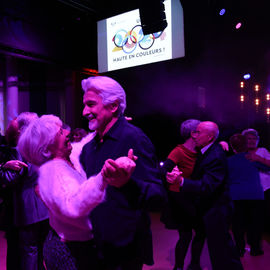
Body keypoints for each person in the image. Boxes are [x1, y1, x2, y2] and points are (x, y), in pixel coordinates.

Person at [18, 114, 137, 270]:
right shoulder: (53, 173)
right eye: (60, 133)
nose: (67, 132)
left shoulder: (66, 157)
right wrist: (104, 177)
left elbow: (83, 144)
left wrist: (109, 126)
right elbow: (74, 204)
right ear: (47, 148)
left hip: (78, 246)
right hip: (69, 252)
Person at [79, 76, 165, 270]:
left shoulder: (134, 139)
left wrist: (126, 184)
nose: (85, 112)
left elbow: (158, 197)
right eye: (84, 105)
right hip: (95, 245)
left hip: (124, 251)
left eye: (91, 104)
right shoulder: (89, 148)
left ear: (113, 106)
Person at [166, 121, 243, 270]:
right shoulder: (207, 150)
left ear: (209, 137)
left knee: (223, 252)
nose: (194, 135)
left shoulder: (214, 154)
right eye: (194, 132)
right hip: (210, 209)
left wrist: (181, 181)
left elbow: (208, 186)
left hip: (217, 211)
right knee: (220, 251)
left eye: (198, 132)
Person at [0, 112, 49, 270]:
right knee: (40, 253)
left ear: (20, 130)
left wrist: (2, 168)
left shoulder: (21, 148)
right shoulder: (44, 145)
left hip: (27, 210)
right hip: (44, 209)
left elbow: (9, 179)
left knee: (29, 252)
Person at [161, 119, 205, 270]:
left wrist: (223, 144)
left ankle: (195, 265)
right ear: (193, 134)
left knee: (200, 232)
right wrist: (169, 175)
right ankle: (178, 267)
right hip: (180, 197)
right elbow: (164, 169)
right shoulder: (179, 151)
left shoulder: (201, 151)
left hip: (195, 196)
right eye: (201, 131)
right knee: (186, 235)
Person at [228, 134, 266, 257]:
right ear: (246, 145)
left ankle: (239, 249)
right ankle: (255, 249)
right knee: (255, 223)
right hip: (255, 195)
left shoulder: (228, 161)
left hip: (236, 195)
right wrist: (260, 159)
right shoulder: (253, 158)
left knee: (238, 223)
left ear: (232, 147)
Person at [242, 128, 270, 234]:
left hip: (265, 190)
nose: (252, 141)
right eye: (249, 139)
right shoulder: (241, 153)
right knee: (250, 219)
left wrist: (258, 158)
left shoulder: (263, 151)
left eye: (254, 139)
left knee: (262, 217)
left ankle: (258, 244)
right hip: (248, 191)